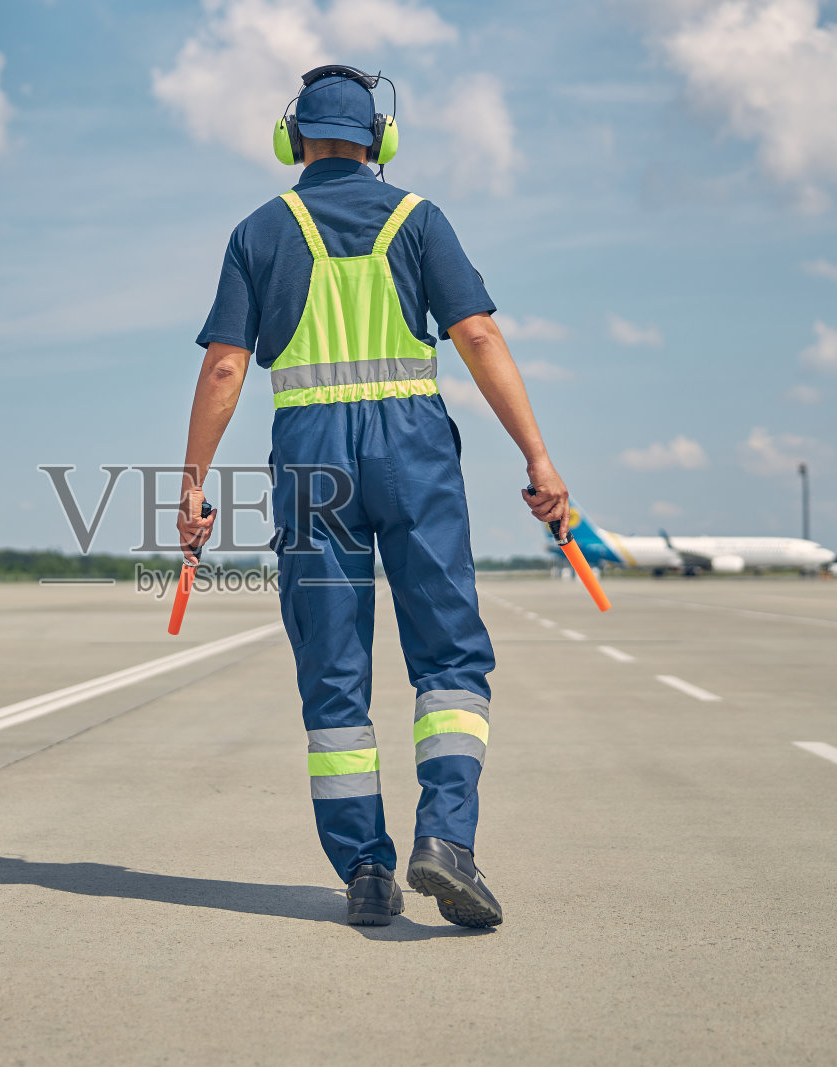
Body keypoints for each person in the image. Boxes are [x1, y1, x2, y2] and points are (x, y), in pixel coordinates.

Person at [176, 65, 569, 927]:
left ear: (293, 140)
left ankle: (364, 869)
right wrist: (537, 455)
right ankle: (447, 840)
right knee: (450, 657)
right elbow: (475, 332)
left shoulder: (259, 232)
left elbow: (226, 365)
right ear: (378, 141)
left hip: (313, 465)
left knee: (334, 672)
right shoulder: (417, 219)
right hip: (413, 452)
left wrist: (196, 482)